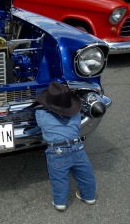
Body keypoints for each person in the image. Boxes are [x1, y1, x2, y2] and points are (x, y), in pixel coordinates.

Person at [34, 82, 97, 211]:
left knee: (59, 178)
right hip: (77, 146)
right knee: (86, 174)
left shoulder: (41, 115)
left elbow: (38, 112)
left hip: (56, 151)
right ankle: (89, 196)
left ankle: (60, 202)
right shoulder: (75, 114)